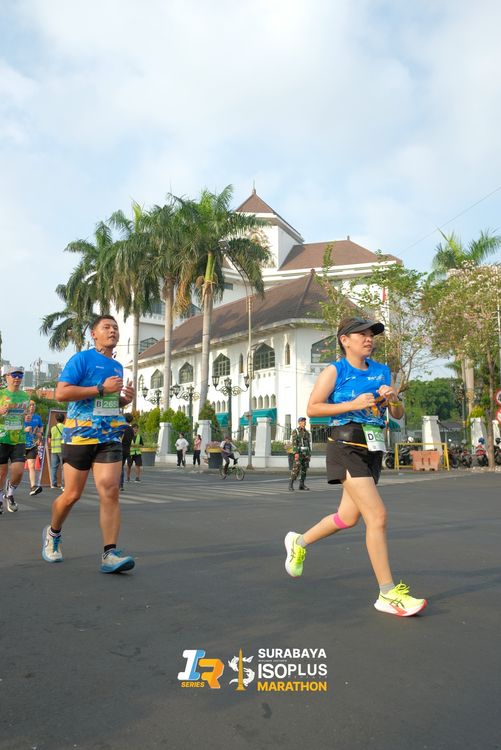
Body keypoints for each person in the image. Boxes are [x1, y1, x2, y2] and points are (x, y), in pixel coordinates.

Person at [284, 317, 427, 617]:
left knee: (347, 518)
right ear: (344, 340)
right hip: (345, 445)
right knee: (377, 515)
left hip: (372, 448)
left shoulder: (382, 371)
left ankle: (299, 541)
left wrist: (394, 398)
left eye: (371, 334)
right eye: (361, 334)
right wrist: (353, 404)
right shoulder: (336, 371)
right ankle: (387, 593)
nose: (368, 338)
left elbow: (397, 413)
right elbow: (313, 408)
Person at [41, 315, 135, 573]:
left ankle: (110, 553)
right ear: (94, 334)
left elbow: (106, 402)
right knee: (72, 494)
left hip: (109, 436)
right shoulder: (81, 359)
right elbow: (62, 393)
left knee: (111, 490)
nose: (113, 331)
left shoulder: (117, 367)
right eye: (106, 327)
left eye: (115, 327)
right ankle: (53, 533)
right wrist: (101, 388)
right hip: (79, 435)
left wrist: (123, 401)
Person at [0, 366, 30, 513]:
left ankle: (10, 493)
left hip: (19, 438)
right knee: (1, 472)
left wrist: (27, 417)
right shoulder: (1, 394)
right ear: (7, 377)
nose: (17, 378)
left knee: (18, 472)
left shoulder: (25, 396)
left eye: (20, 375)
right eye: (14, 375)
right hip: (2, 437)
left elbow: (25, 414)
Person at [24, 400, 44, 496]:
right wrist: (24, 429)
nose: (32, 406)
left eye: (33, 405)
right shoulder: (21, 417)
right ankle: (10, 486)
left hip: (32, 445)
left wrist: (40, 435)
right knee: (17, 469)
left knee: (31, 466)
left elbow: (41, 427)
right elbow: (15, 429)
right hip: (20, 444)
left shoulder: (37, 417)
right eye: (30, 405)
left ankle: (33, 487)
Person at [289, 417, 312, 491]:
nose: (304, 422)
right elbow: (294, 443)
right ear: (299, 422)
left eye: (305, 421)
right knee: (296, 469)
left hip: (305, 453)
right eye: (302, 421)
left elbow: (308, 444)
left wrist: (309, 454)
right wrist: (296, 453)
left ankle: (301, 485)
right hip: (299, 453)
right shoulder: (295, 431)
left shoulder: (307, 432)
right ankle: (290, 484)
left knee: (304, 470)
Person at [48, 412, 65, 489]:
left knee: (54, 468)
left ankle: (53, 484)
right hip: (63, 450)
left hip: (54, 450)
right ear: (63, 419)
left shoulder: (52, 428)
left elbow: (49, 440)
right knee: (63, 468)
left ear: (56, 420)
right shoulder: (65, 428)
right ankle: (63, 485)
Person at [120, 413, 135, 490]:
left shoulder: (122, 428)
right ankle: (121, 484)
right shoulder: (131, 429)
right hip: (127, 450)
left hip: (120, 448)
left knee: (119, 467)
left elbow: (120, 439)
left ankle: (120, 484)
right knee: (121, 466)